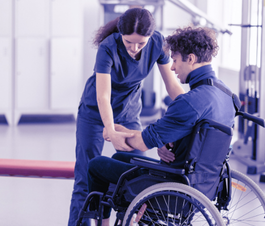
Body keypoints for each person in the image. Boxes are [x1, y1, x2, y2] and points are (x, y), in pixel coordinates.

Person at [85, 26, 236, 225]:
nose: (172, 67)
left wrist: (114, 134)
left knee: (97, 165)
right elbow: (195, 137)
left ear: (190, 59)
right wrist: (124, 130)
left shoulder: (190, 101)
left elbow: (141, 143)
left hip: (171, 184)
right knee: (120, 157)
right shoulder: (227, 96)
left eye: (175, 60)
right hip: (202, 183)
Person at [68, 7, 185, 226]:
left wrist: (190, 108)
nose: (134, 48)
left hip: (128, 112)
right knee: (85, 177)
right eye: (129, 42)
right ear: (120, 34)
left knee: (139, 172)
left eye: (141, 43)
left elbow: (172, 85)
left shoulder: (158, 43)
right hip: (94, 113)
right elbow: (103, 96)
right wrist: (110, 129)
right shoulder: (108, 47)